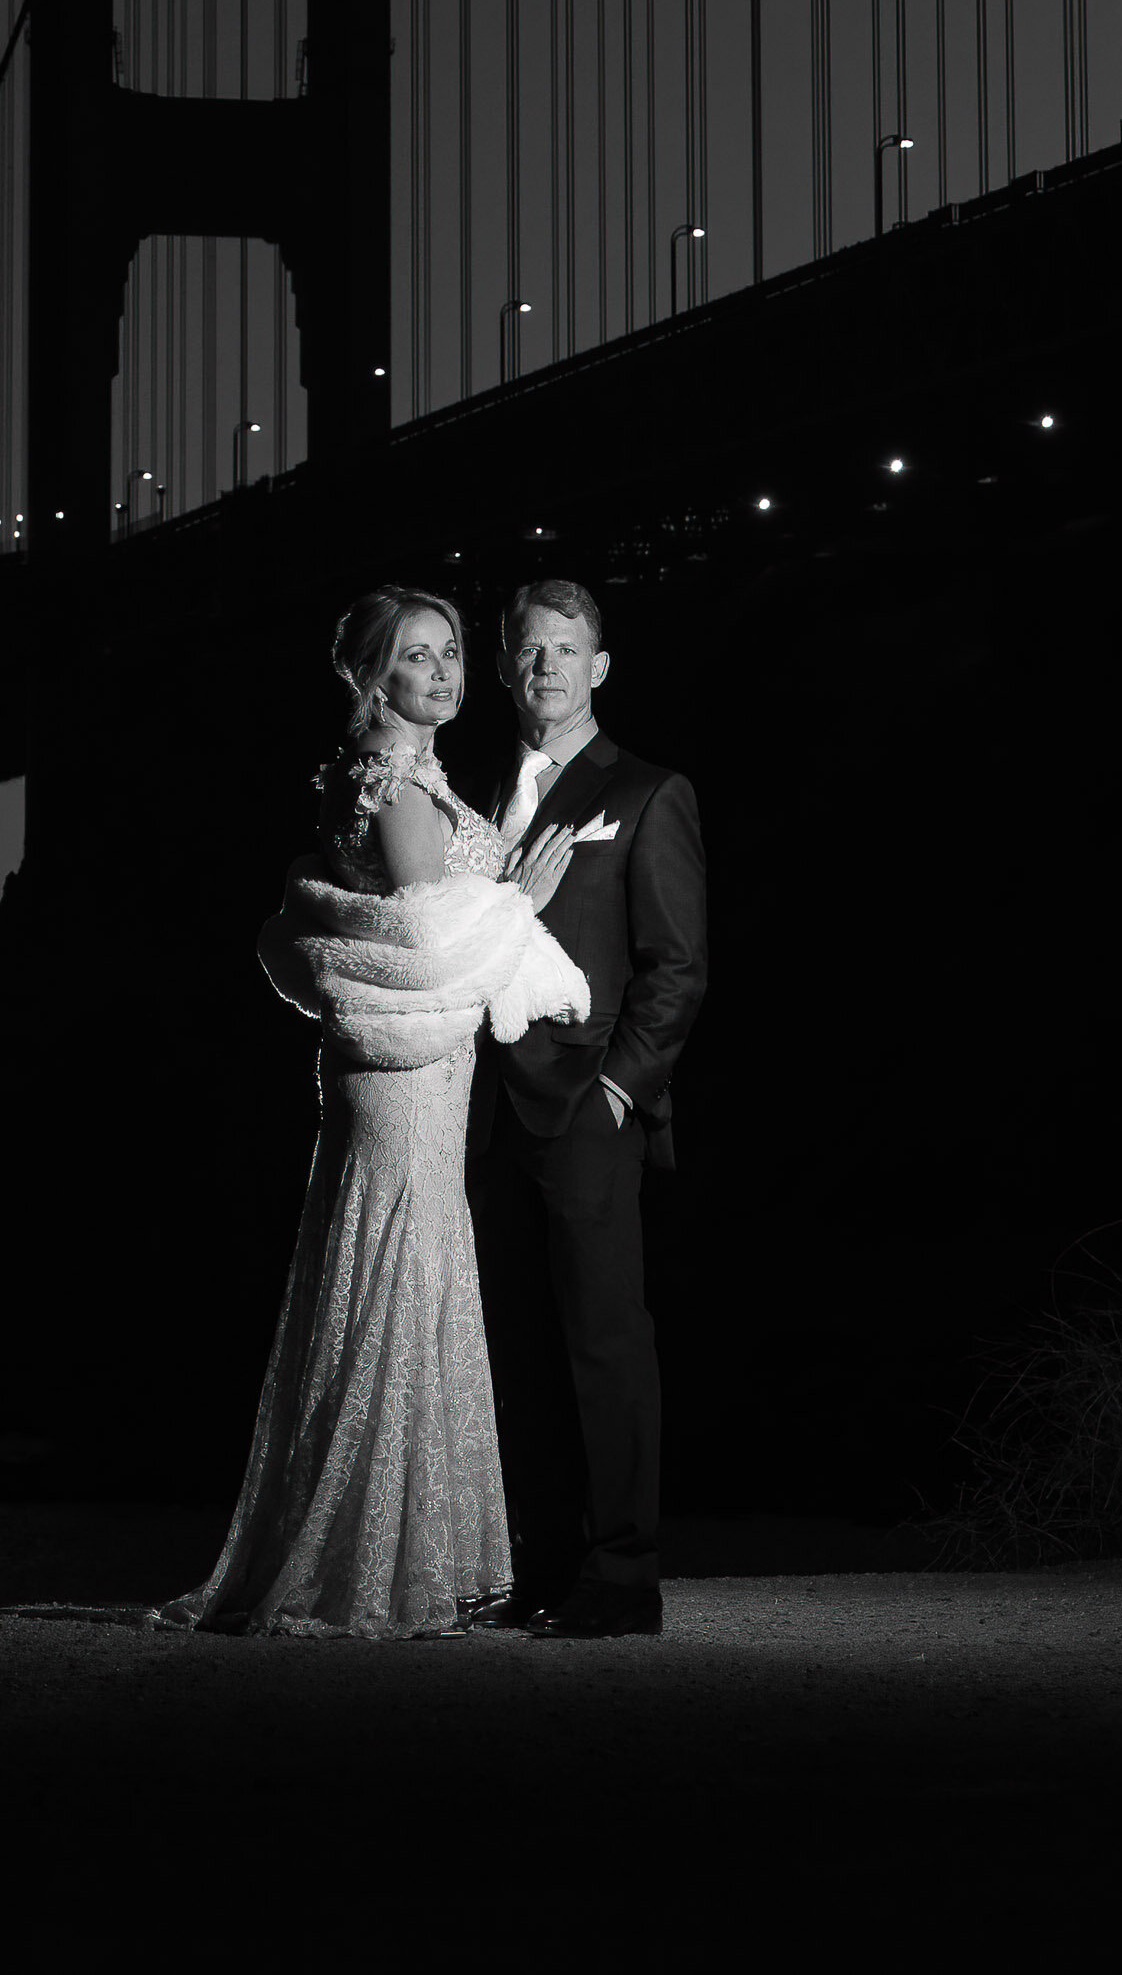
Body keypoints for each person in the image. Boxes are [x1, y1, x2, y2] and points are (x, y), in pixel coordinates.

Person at [159, 584, 582, 1637]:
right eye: (416, 657)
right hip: (403, 1076)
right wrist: (519, 895)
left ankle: (401, 1555)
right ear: (370, 676)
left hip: (418, 1073)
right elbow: (428, 935)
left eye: (448, 653)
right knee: (398, 1271)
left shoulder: (406, 771)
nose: (442, 672)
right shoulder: (391, 780)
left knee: (407, 1270)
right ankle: (367, 1567)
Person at [466, 578, 708, 1641]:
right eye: (529, 650)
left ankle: (624, 1575)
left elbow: (678, 966)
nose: (547, 666)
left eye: (567, 648)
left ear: (599, 666)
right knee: (519, 1347)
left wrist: (620, 1089)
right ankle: (548, 1565)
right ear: (508, 666)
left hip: (587, 1108)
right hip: (487, 1114)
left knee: (605, 1343)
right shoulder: (477, 802)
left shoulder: (650, 792)